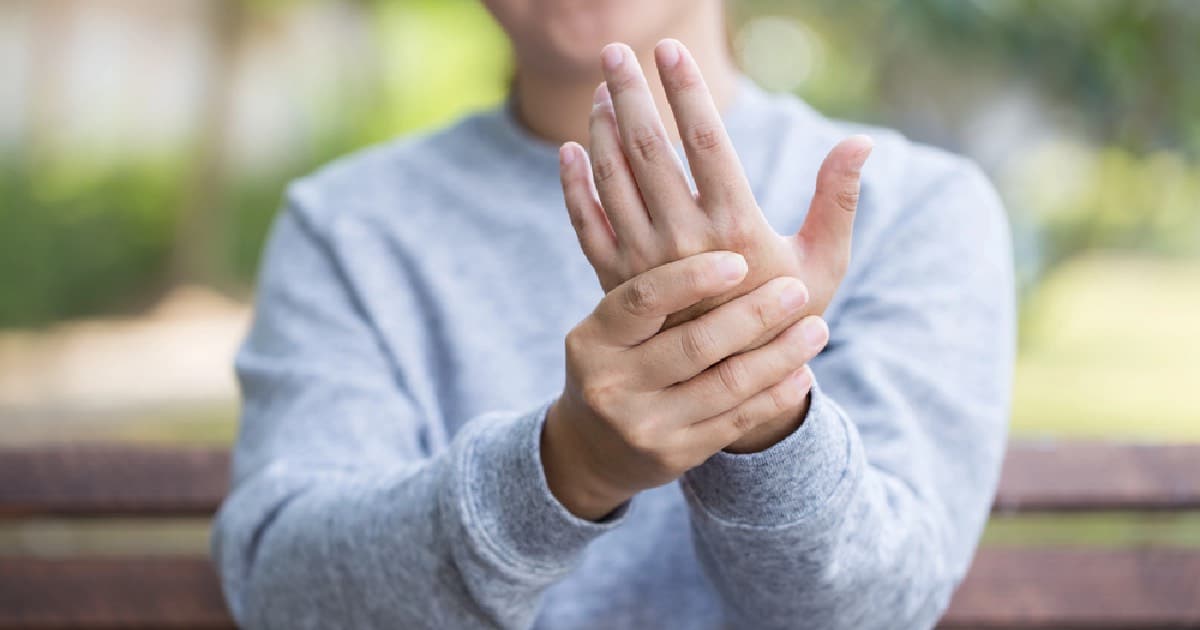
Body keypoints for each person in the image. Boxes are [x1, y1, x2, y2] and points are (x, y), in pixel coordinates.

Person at [212, 1, 1014, 628]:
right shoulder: (345, 226)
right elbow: (286, 596)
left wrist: (763, 417)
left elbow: (873, 610)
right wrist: (565, 468)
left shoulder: (912, 207)